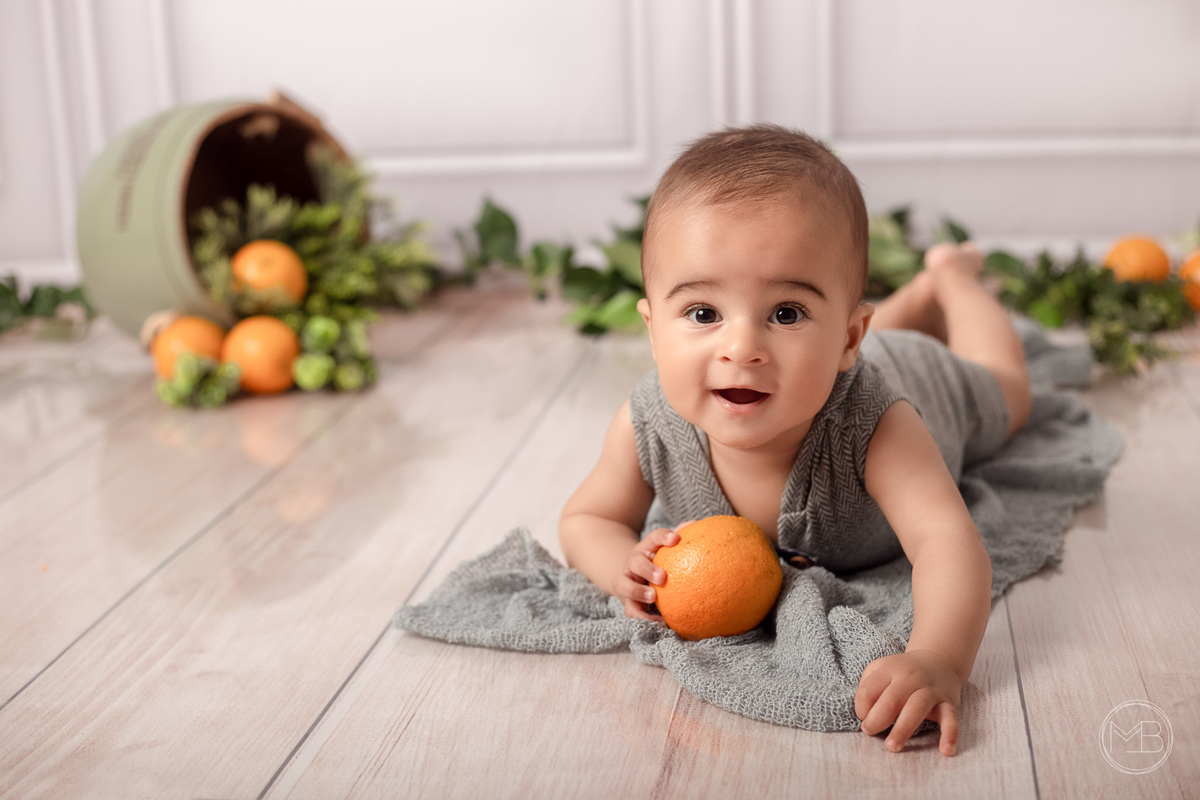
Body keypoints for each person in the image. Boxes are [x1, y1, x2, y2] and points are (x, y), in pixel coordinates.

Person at [557, 124, 1032, 757]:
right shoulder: (649, 422)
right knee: (818, 341)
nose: (741, 348)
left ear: (847, 342)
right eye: (703, 314)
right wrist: (623, 567)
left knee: (1012, 394)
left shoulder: (877, 425)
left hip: (925, 379)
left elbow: (948, 543)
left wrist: (939, 658)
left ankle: (952, 281)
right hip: (832, 354)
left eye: (786, 313)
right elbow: (587, 517)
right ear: (652, 330)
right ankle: (913, 295)